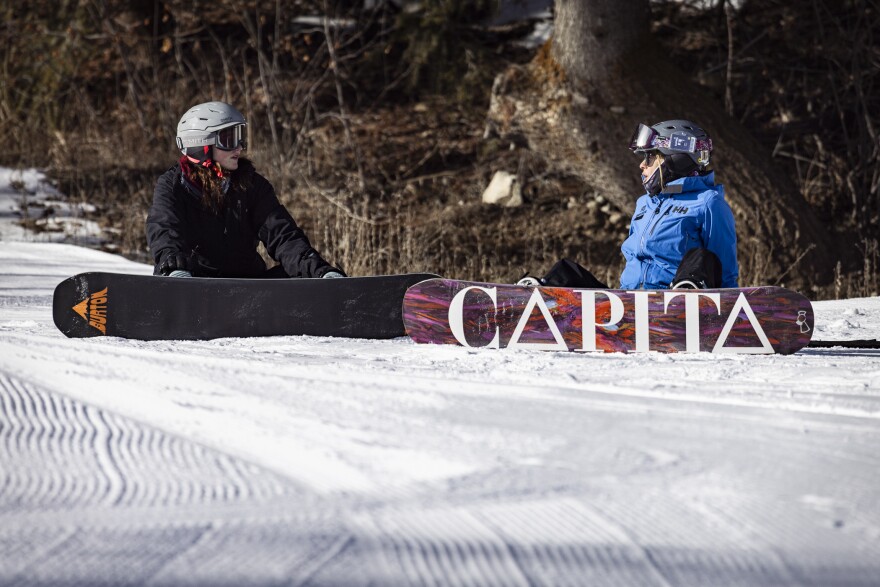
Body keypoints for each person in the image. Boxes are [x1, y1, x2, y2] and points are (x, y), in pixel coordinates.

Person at [519, 119, 738, 290]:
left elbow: (725, 271)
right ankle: (535, 301)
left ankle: (686, 297)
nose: (642, 165)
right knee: (565, 272)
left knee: (701, 259)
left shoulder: (709, 203)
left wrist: (733, 317)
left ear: (675, 159)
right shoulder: (645, 204)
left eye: (650, 158)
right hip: (629, 302)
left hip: (670, 302)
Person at [146, 101, 345, 279]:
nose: (239, 148)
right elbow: (164, 228)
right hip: (195, 283)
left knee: (301, 277)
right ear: (200, 143)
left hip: (246, 286)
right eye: (229, 139)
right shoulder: (175, 185)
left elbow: (283, 236)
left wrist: (319, 271)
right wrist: (173, 264)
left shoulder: (252, 185)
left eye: (240, 138)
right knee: (172, 272)